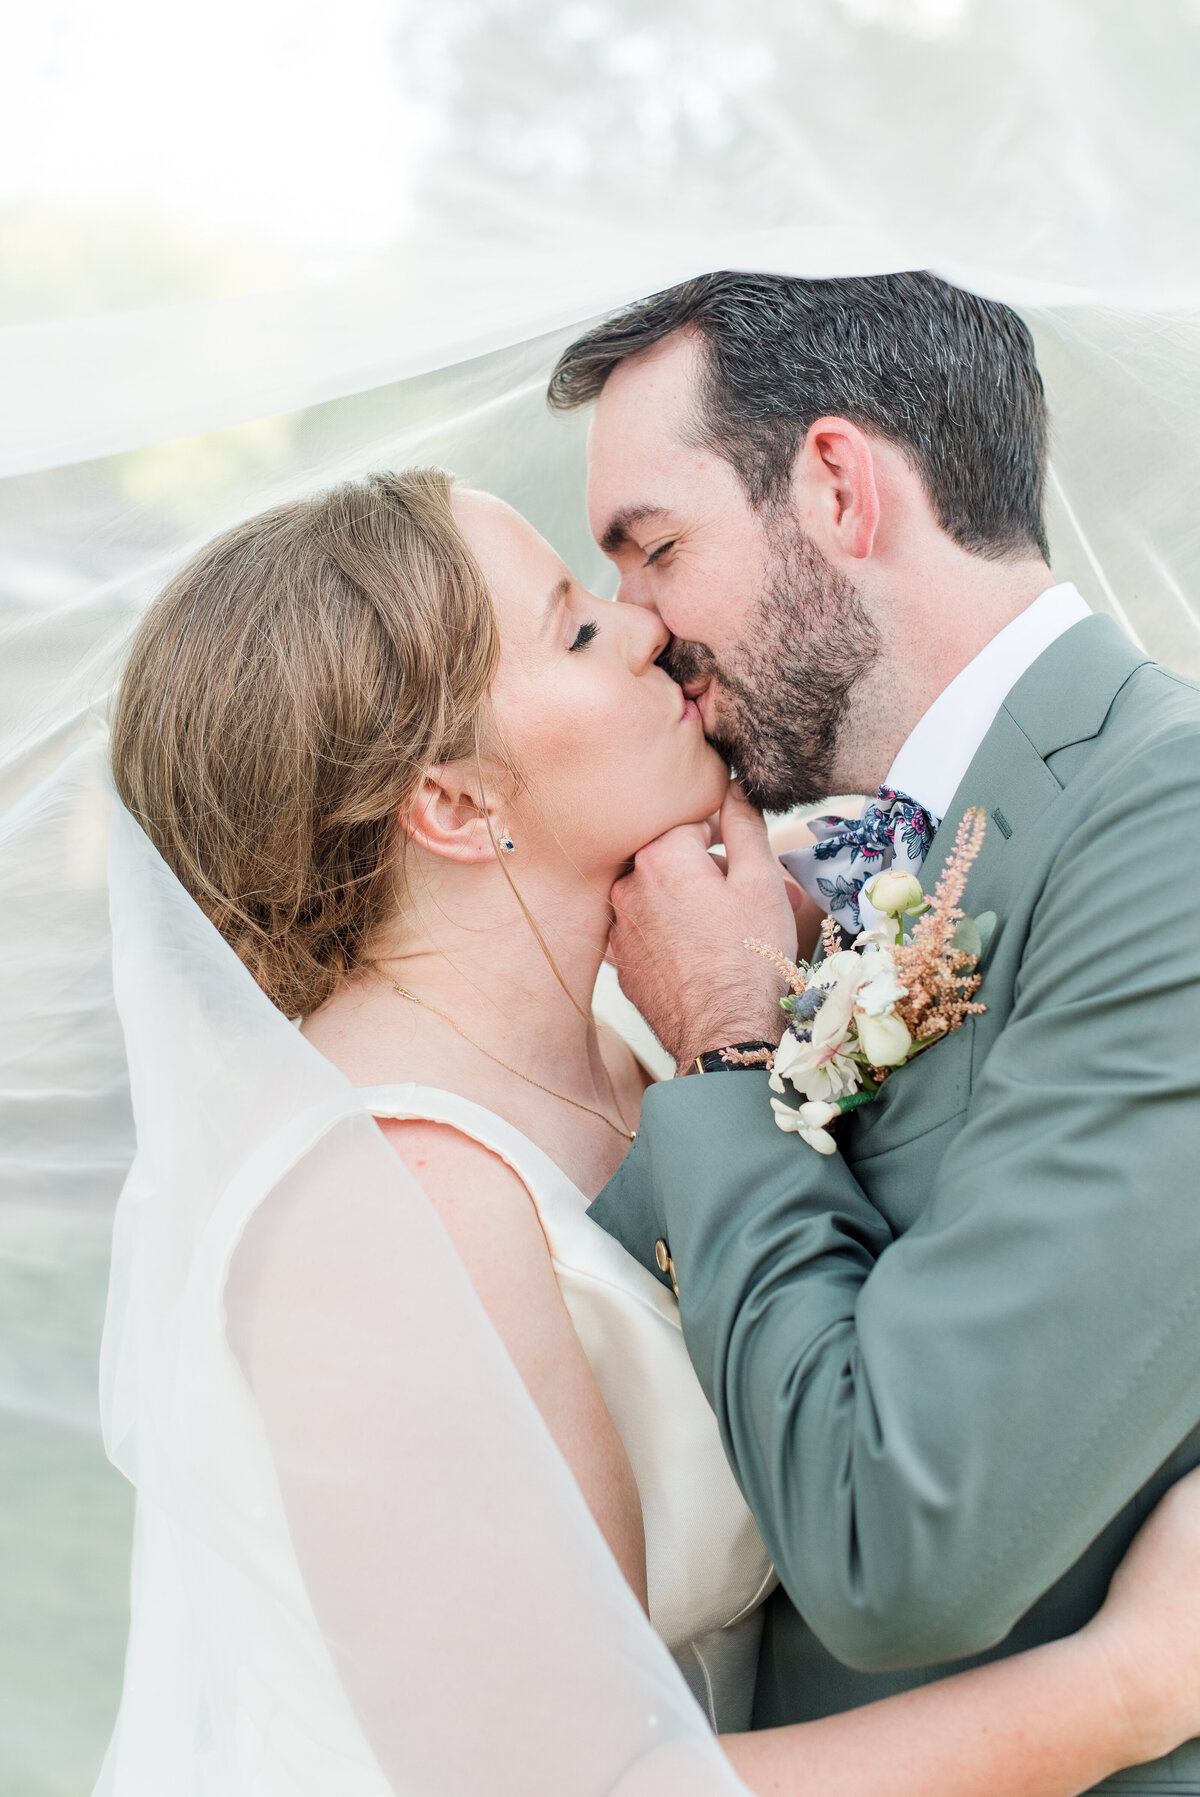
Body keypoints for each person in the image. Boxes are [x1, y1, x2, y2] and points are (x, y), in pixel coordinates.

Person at [102, 462, 1200, 1795]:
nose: (643, 625)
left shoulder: (647, 1019)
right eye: (573, 626)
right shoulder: (382, 1204)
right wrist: (1128, 1683)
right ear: (453, 802)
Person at [546, 270, 1200, 1791]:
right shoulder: (871, 864)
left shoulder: (1164, 824)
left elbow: (903, 1537)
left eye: (655, 551)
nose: (638, 632)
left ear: (837, 486)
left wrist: (724, 1043)